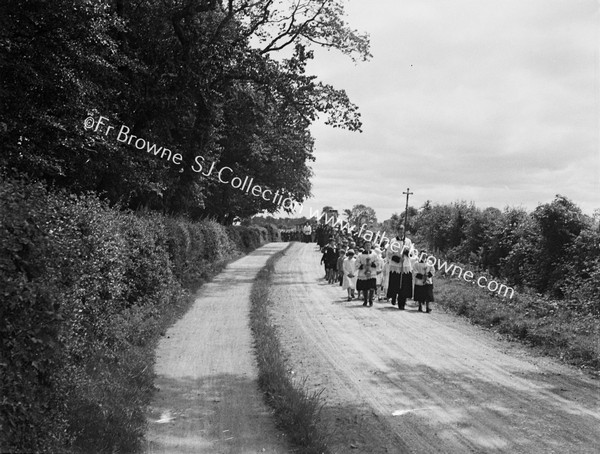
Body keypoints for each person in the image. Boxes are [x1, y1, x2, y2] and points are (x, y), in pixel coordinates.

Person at [386, 225, 414, 310]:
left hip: (405, 265)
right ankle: (394, 296)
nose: (401, 233)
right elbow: (389, 253)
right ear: (397, 232)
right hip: (396, 265)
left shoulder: (408, 241)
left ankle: (402, 303)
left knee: (404, 285)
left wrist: (407, 252)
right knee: (396, 284)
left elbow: (412, 252)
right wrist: (398, 259)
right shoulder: (393, 241)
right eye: (400, 231)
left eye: (403, 232)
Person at [355, 241, 379, 306]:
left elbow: (378, 262)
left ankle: (370, 300)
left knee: (371, 287)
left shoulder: (374, 254)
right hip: (363, 273)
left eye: (369, 245)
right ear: (364, 246)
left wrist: (372, 264)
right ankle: (365, 300)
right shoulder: (360, 255)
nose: (368, 246)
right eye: (366, 245)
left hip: (372, 273)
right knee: (365, 288)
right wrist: (363, 266)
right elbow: (357, 263)